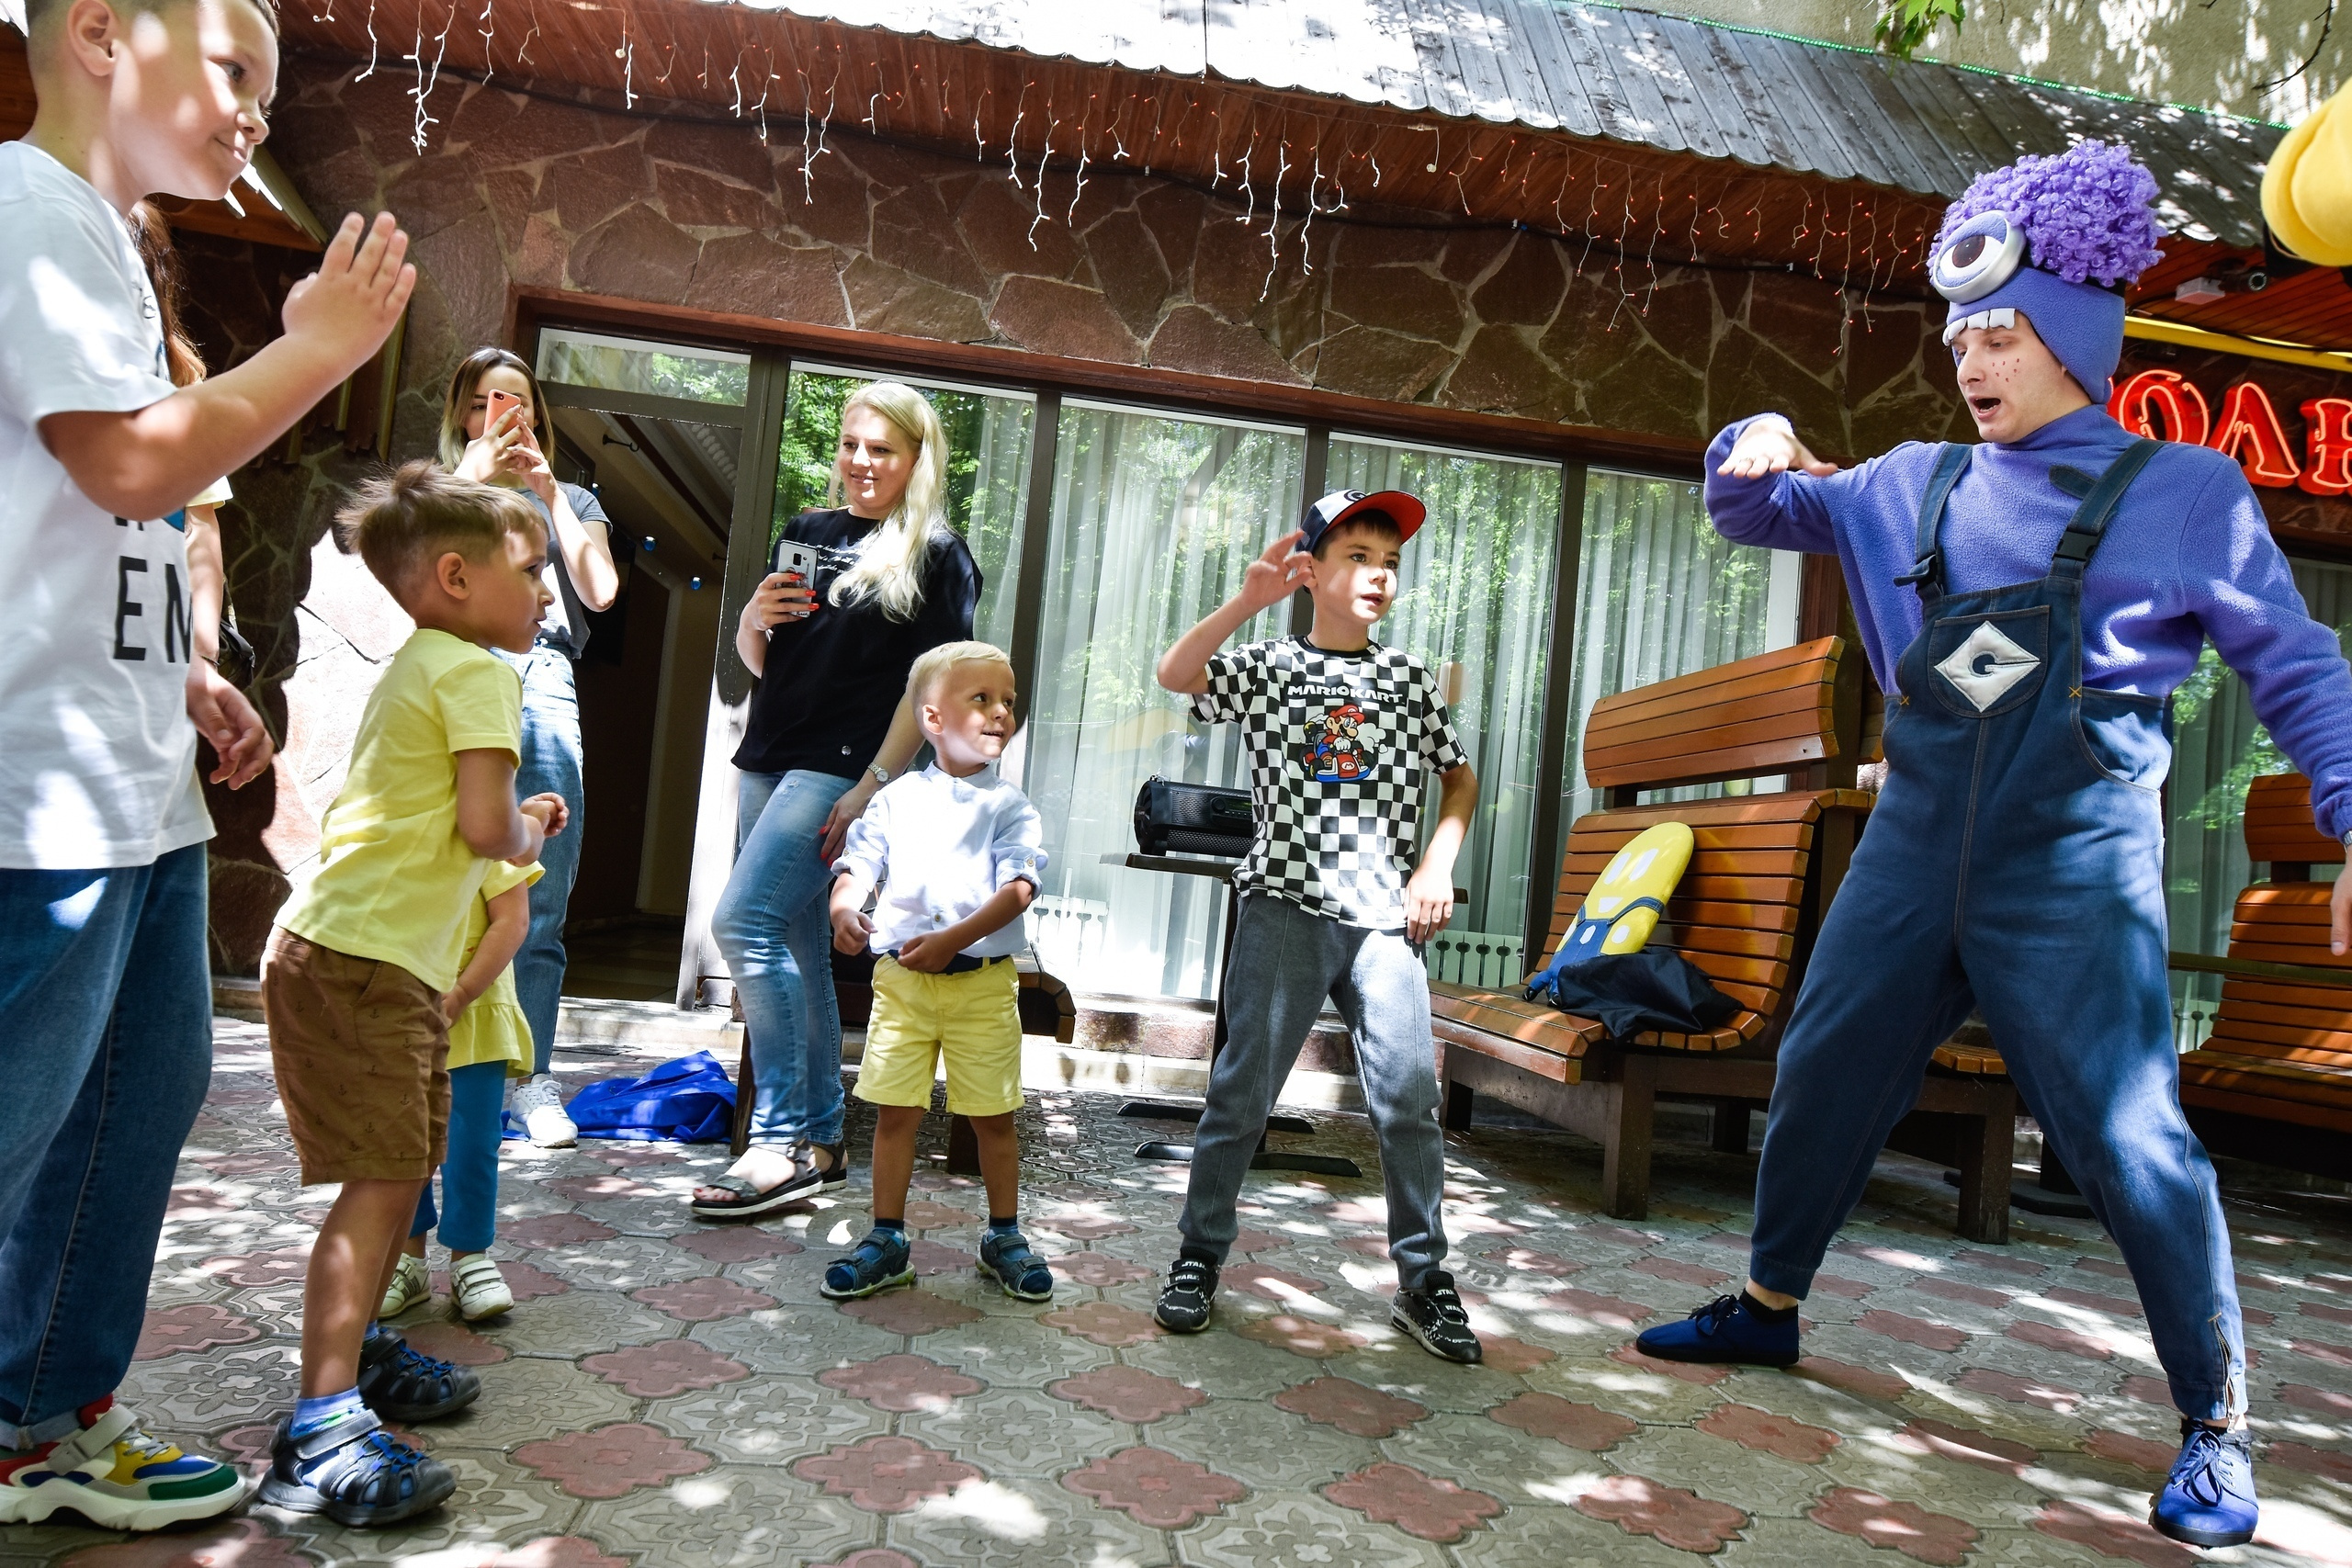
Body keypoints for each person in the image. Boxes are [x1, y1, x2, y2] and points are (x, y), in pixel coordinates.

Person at [1631, 141, 2352, 1551]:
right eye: (1960, 331)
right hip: (1909, 847)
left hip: (2072, 862)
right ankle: (1768, 1305)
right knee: (1827, 1069)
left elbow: (2306, 671)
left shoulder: (2189, 494)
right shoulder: (1909, 479)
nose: (1973, 358)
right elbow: (1755, 505)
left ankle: (2214, 1417)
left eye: (2004, 332)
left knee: (2129, 1140)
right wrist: (1757, 438)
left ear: (2076, 337)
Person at [0, 0, 412, 1531]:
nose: (253, 111)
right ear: (102, 36)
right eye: (236, 70)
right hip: (33, 799)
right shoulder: (25, 208)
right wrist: (316, 351)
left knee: (138, 1097)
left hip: (134, 786)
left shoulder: (109, 243)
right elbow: (128, 462)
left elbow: (80, 517)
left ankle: (34, 1417)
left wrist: (174, 669)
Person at [258, 464, 566, 1527]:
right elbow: (489, 832)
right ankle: (321, 1422)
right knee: (383, 1180)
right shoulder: (480, 674)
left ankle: (361, 1352)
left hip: (357, 955)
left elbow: (447, 812)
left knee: (403, 1163)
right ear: (453, 576)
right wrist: (528, 828)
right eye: (530, 572)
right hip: (362, 961)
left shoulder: (424, 664)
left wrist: (505, 816)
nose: (543, 594)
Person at [1148, 491, 1483, 1364]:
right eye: (1358, 557)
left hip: (1383, 923)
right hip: (1284, 903)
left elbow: (1460, 780)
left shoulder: (1409, 680)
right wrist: (1247, 601)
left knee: (1410, 1100)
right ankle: (1197, 1257)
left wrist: (1435, 865)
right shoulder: (1266, 665)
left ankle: (1424, 1279)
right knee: (1242, 1091)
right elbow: (1176, 675)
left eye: (1391, 563)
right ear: (1312, 571)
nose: (1378, 576)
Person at [691, 382, 979, 1219]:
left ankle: (775, 1138)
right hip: (769, 753)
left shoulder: (939, 553)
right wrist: (750, 617)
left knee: (740, 921)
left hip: (842, 767)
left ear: (916, 459)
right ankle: (820, 1138)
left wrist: (871, 790)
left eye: (881, 449)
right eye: (851, 444)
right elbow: (765, 662)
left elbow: (933, 691)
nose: (859, 461)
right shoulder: (807, 533)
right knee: (796, 943)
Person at [820, 641, 1052, 1300]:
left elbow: (1018, 889)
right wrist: (844, 909)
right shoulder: (895, 802)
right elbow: (857, 866)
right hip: (902, 983)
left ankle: (1003, 1232)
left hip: (981, 984)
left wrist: (955, 940)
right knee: (895, 1113)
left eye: (1007, 700)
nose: (1000, 712)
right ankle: (887, 1237)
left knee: (994, 1117)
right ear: (931, 719)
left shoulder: (1010, 806)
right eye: (981, 698)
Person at [441, 347, 619, 1148]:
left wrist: (549, 497)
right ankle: (427, 1060)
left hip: (541, 672)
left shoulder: (573, 496)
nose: (502, 415)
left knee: (538, 889)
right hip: (452, 671)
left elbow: (601, 591)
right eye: (485, 401)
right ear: (462, 415)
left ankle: (530, 1077)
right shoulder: (442, 489)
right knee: (439, 873)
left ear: (538, 419)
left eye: (516, 402)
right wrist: (476, 478)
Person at [379, 859, 542, 1324]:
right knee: (401, 1144)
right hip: (395, 1012)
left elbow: (512, 919)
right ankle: (407, 1260)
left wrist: (461, 994)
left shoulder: (489, 833)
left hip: (473, 1012)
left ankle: (470, 1257)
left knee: (471, 1144)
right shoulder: (382, 825)